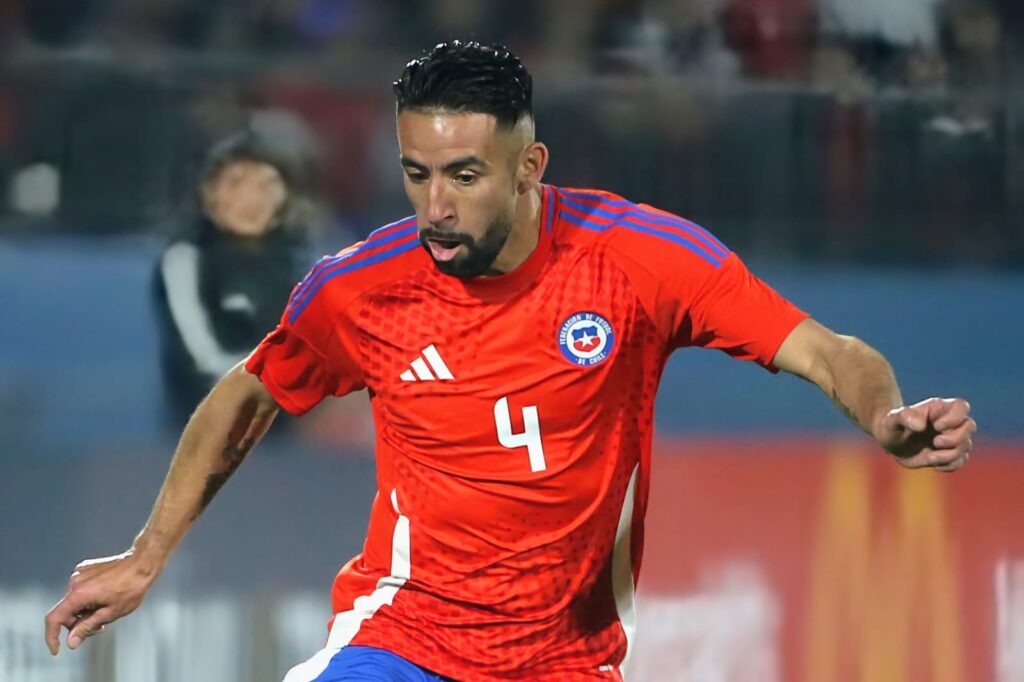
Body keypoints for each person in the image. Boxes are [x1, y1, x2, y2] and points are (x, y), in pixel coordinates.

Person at [45, 41, 976, 680]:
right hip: (403, 636)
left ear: (530, 165)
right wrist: (146, 555)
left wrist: (885, 419)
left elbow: (827, 351)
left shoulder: (642, 259)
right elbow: (247, 393)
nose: (435, 206)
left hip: (566, 656)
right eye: (417, 175)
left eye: (464, 175)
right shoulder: (362, 287)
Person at [153, 130, 312, 429]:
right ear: (209, 194)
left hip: (288, 440)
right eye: (236, 184)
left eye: (265, 186)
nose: (250, 199)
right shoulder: (185, 259)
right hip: (204, 431)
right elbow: (202, 358)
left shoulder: (298, 260)